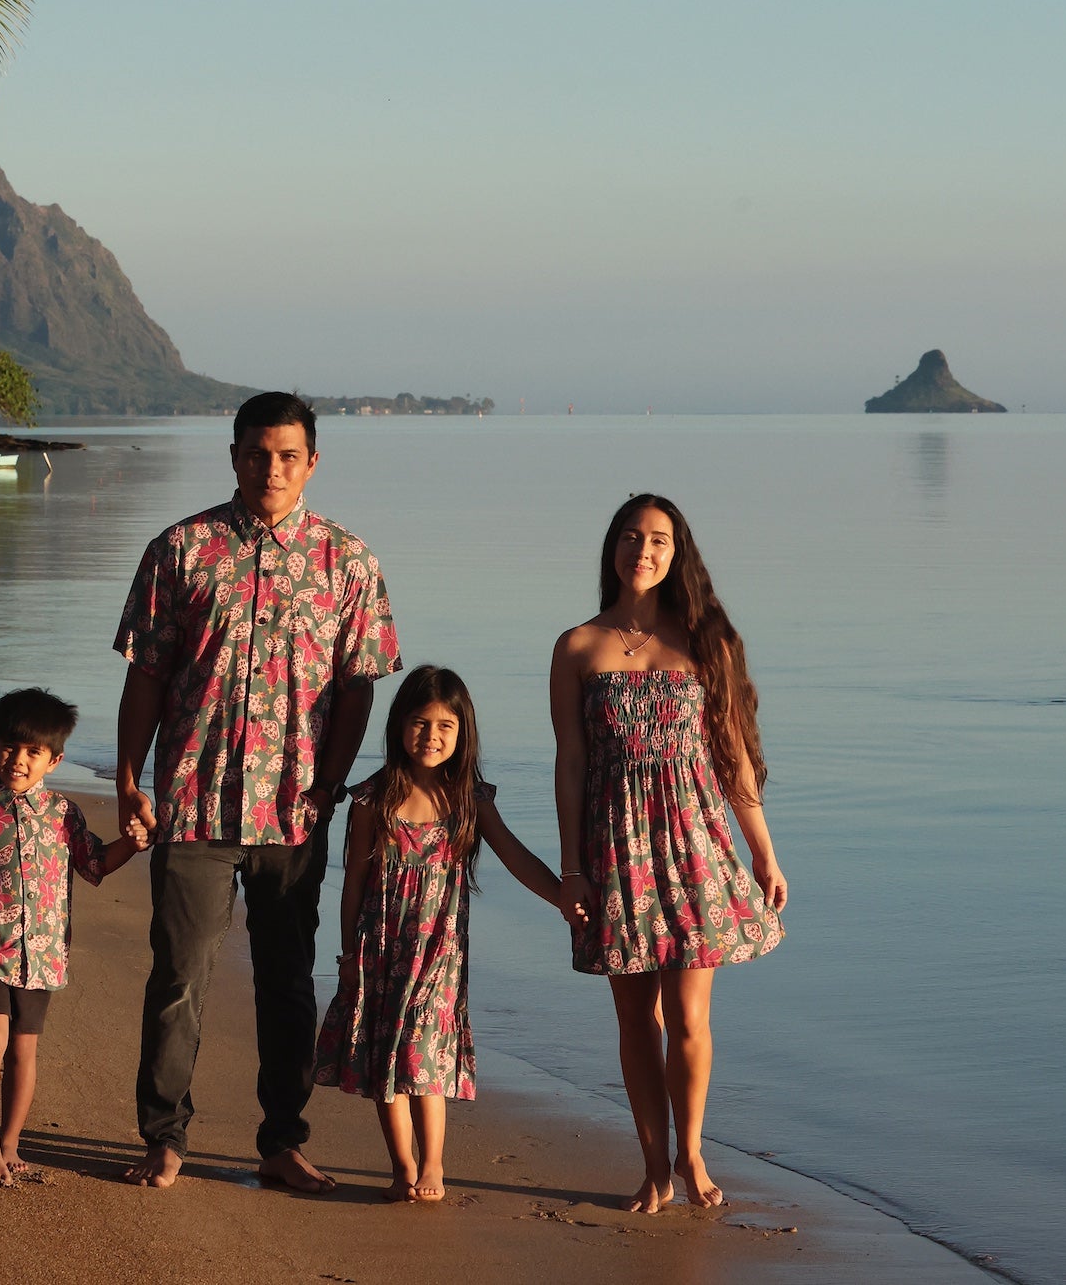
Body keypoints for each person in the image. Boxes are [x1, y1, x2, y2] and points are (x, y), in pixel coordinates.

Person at [113, 391, 402, 1192]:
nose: (269, 468)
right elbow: (146, 675)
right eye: (254, 453)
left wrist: (330, 785)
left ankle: (281, 1140)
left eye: (285, 454)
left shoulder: (348, 561)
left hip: (292, 809)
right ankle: (163, 1135)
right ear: (232, 455)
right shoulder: (180, 549)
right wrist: (131, 777)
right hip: (192, 798)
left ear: (311, 460)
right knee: (178, 975)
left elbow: (356, 689)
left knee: (287, 978)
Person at [550, 494, 787, 1214]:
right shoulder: (577, 645)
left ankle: (691, 1151)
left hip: (692, 848)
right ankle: (652, 1164)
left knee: (688, 1017)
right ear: (612, 549)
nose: (641, 549)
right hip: (614, 847)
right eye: (629, 536)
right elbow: (569, 762)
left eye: (656, 539)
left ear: (676, 552)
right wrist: (572, 868)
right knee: (633, 1021)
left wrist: (763, 853)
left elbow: (733, 756)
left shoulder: (703, 638)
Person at [315, 664, 559, 1203]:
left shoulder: (469, 797)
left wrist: (563, 896)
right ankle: (402, 1167)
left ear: (462, 733)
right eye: (420, 724)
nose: (431, 737)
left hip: (438, 953)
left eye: (445, 726)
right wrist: (347, 953)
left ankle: (434, 1165)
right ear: (399, 727)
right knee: (387, 1059)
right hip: (378, 946)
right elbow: (353, 880)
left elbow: (515, 856)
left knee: (422, 1056)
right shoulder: (372, 799)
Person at [0, 686, 145, 1185]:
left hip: (43, 954)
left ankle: (10, 1142)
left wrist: (134, 845)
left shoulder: (64, 815)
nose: (19, 759)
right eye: (10, 746)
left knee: (24, 1049)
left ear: (55, 759)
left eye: (33, 752)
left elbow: (95, 864)